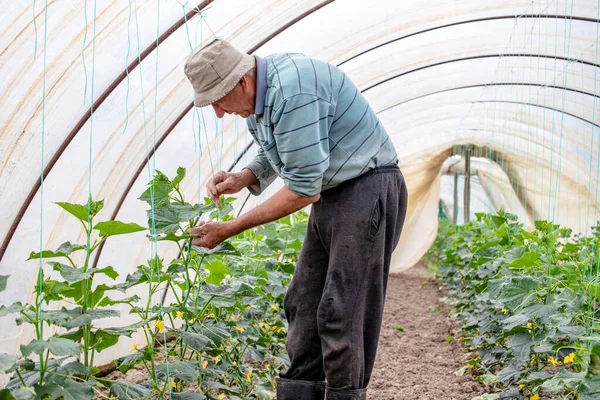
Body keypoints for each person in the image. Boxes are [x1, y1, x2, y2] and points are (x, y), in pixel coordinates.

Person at [184, 38, 408, 400]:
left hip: (366, 188)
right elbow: (284, 147)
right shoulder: (262, 95)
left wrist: (230, 228)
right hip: (335, 192)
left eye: (218, 100)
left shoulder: (294, 92)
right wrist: (246, 177)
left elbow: (304, 190)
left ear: (241, 81)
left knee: (343, 310)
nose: (219, 113)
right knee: (302, 303)